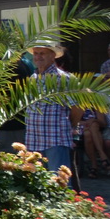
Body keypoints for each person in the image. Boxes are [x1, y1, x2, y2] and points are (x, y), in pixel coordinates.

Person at [25, 45, 78, 176]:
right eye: (36, 53)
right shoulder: (33, 78)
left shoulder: (64, 78)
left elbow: (78, 108)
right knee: (36, 182)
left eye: (42, 53)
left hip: (55, 139)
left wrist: (69, 126)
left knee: (59, 182)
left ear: (53, 56)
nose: (38, 57)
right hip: (33, 139)